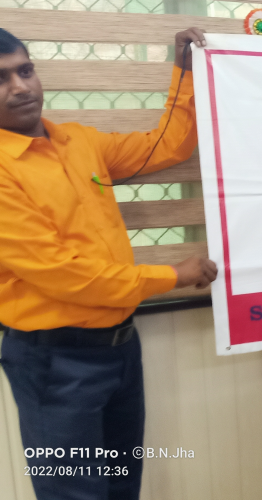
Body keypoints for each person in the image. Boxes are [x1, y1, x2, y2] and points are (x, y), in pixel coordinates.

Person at [0, 27, 217, 499]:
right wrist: (172, 275)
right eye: (1, 79)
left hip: (120, 349)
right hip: (54, 361)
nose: (20, 87)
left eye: (25, 70)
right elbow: (63, 274)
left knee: (121, 488)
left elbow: (167, 146)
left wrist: (184, 70)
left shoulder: (78, 142)